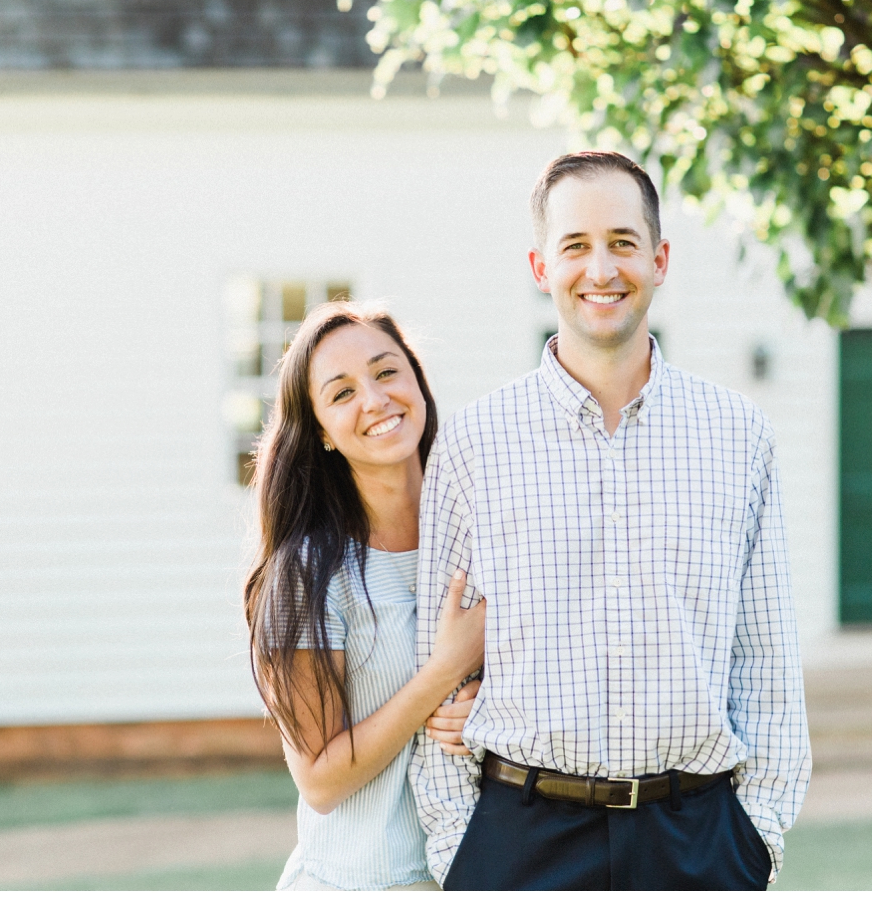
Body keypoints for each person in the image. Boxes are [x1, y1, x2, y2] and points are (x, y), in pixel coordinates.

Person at [411, 150, 811, 890]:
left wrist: (756, 838)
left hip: (699, 841)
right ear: (540, 266)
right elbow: (431, 658)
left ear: (659, 260)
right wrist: (460, 849)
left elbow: (767, 658)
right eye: (576, 247)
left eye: (623, 243)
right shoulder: (475, 444)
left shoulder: (737, 435)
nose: (601, 269)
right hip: (519, 842)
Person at [244, 301, 486, 891]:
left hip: (483, 873)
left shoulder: (486, 533)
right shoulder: (309, 573)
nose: (375, 401)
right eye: (342, 392)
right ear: (321, 431)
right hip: (361, 885)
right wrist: (445, 672)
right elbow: (320, 781)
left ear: (417, 384)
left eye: (385, 373)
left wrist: (488, 703)